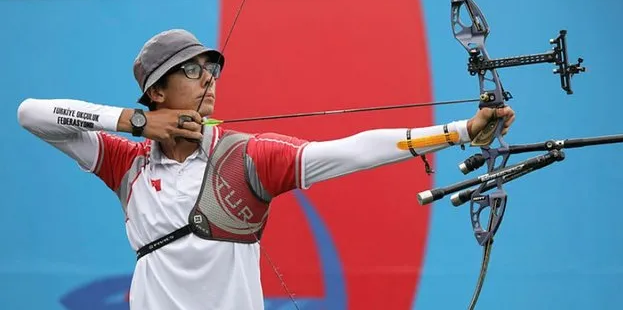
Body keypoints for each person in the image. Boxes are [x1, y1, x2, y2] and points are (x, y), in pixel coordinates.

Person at [16, 29, 515, 310]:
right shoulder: (127, 164)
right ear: (156, 91)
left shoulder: (249, 157)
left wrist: (460, 131)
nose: (208, 80)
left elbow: (353, 149)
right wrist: (135, 122)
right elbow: (32, 114)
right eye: (191, 71)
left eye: (212, 70)